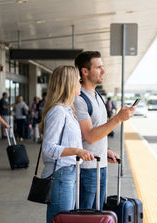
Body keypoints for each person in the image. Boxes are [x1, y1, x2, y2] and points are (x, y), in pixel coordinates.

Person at [74, 51, 136, 210]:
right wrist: (117, 118)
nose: (103, 71)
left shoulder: (98, 96)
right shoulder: (80, 99)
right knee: (86, 216)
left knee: (98, 213)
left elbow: (98, 130)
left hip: (100, 165)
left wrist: (105, 150)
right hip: (87, 169)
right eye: (98, 67)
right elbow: (89, 136)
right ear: (85, 71)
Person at [40, 65, 94, 223]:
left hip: (68, 173)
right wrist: (76, 151)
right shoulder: (58, 112)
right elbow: (49, 148)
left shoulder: (68, 111)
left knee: (65, 219)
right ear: (68, 84)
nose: (81, 84)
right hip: (61, 174)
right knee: (62, 220)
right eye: (78, 81)